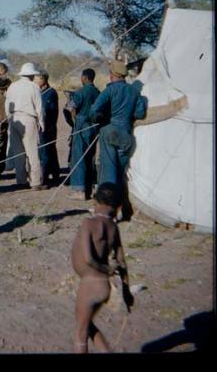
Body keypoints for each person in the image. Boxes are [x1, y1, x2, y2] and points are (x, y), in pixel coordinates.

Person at [71, 183, 134, 353]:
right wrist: (126, 292)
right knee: (86, 324)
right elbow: (122, 262)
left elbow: (89, 258)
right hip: (103, 286)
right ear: (117, 206)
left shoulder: (88, 224)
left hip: (90, 283)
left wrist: (105, 269)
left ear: (96, 201)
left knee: (80, 333)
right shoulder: (113, 228)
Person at [89, 60, 147, 218]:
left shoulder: (110, 90)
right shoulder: (134, 91)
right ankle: (120, 209)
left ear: (112, 75)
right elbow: (140, 114)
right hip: (127, 137)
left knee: (107, 172)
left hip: (110, 132)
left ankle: (106, 212)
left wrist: (98, 119)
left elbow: (94, 110)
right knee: (120, 174)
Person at [4, 62, 44, 189]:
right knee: (32, 152)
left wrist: (10, 118)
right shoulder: (34, 87)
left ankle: (21, 180)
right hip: (28, 119)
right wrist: (42, 122)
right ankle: (36, 182)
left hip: (14, 119)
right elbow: (39, 107)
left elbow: (7, 105)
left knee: (18, 152)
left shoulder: (12, 86)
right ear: (32, 75)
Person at [67, 69, 101, 201]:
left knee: (79, 157)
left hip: (82, 127)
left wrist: (73, 120)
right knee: (90, 157)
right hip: (94, 127)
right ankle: (90, 187)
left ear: (85, 78)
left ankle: (79, 190)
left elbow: (70, 108)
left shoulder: (81, 92)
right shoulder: (97, 92)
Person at [34, 69, 60, 185]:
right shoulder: (37, 91)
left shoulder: (51, 92)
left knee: (47, 150)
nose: (35, 81)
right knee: (46, 151)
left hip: (48, 126)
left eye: (37, 78)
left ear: (43, 79)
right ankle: (53, 173)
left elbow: (47, 110)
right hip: (40, 126)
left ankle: (45, 177)